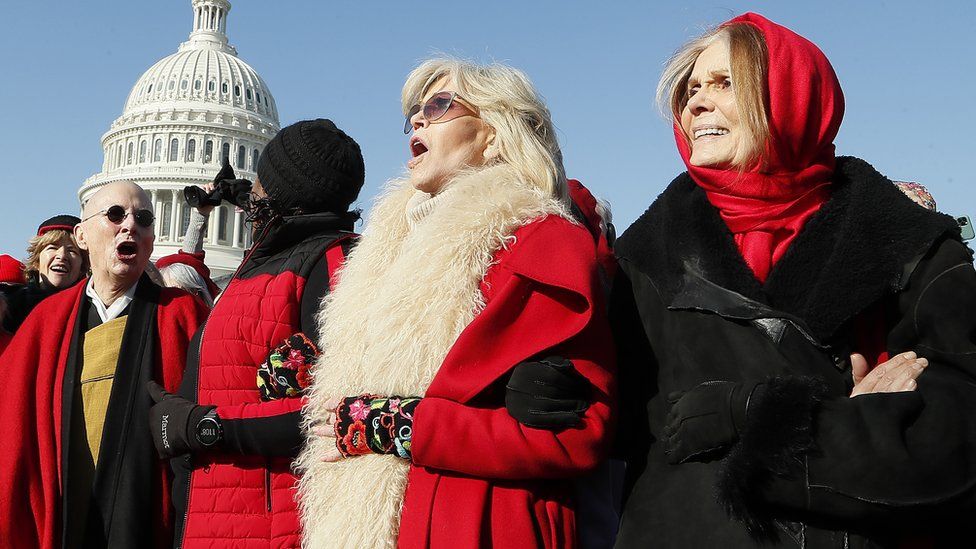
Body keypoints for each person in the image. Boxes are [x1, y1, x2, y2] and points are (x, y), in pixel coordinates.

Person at [611, 13, 976, 547]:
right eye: (691, 89)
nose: (696, 103)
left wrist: (760, 416)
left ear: (792, 94)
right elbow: (624, 426)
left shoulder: (909, 243)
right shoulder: (644, 257)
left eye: (724, 83)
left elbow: (957, 431)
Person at [295, 58, 615, 548]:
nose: (418, 120)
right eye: (413, 115)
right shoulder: (385, 256)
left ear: (494, 133)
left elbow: (574, 435)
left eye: (439, 105)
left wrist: (398, 425)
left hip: (481, 523)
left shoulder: (542, 245)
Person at [145, 118, 364, 548]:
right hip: (214, 512)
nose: (253, 189)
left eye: (261, 181)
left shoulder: (331, 263)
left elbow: (335, 409)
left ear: (284, 189)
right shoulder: (265, 261)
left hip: (270, 526)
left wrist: (203, 427)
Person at [0, 181, 207, 549]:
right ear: (81, 235)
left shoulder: (183, 315)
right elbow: (12, 430)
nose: (130, 226)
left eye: (143, 219)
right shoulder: (46, 321)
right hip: (65, 506)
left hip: (149, 515)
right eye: (115, 215)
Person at [0, 215, 88, 341]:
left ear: (82, 267)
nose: (62, 256)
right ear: (37, 260)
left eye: (72, 251)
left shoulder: (88, 309)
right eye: (52, 247)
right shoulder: (10, 308)